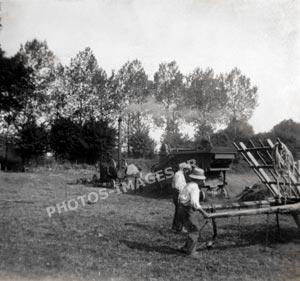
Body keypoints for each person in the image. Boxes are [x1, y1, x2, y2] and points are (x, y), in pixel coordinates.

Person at [177, 167, 211, 257]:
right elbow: (195, 204)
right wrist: (204, 213)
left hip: (181, 209)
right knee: (195, 230)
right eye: (202, 180)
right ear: (199, 180)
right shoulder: (195, 187)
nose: (203, 182)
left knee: (190, 229)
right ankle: (191, 252)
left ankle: (186, 248)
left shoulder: (188, 185)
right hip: (187, 210)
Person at [171, 162, 191, 232]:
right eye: (187, 169)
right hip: (178, 194)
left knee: (178, 211)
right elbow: (178, 186)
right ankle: (178, 228)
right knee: (180, 211)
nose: (188, 171)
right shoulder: (179, 175)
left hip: (178, 193)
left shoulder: (180, 174)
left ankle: (176, 227)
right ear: (184, 169)